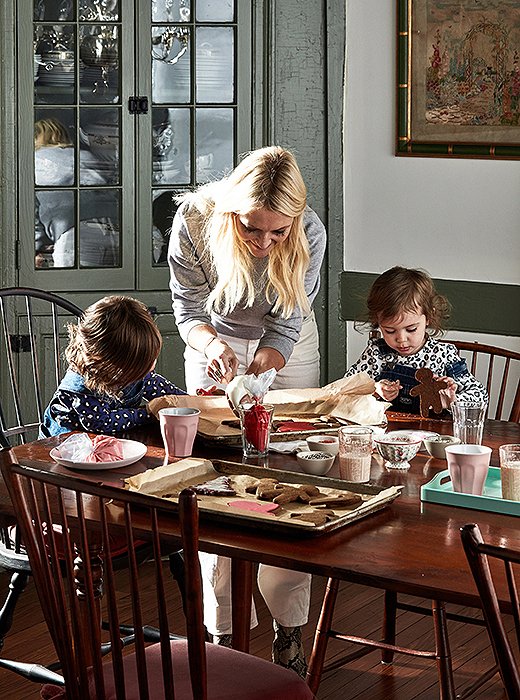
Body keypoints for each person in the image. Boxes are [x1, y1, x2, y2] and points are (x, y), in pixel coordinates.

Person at [167, 145, 327, 677]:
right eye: (251, 229)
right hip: (212, 340)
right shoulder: (192, 221)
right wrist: (214, 349)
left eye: (277, 233)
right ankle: (223, 634)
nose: (264, 244)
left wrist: (262, 370)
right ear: (230, 211)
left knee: (285, 475)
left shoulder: (311, 232)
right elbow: (187, 308)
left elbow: (285, 326)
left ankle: (288, 628)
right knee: (213, 484)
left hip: (286, 344)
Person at [345, 266, 488, 413]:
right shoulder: (376, 354)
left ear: (428, 317)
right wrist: (374, 390)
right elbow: (343, 392)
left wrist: (453, 401)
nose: (401, 339)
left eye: (411, 329)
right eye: (390, 331)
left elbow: (481, 396)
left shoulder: (443, 355)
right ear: (378, 322)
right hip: (386, 434)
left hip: (434, 434)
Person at [41, 296, 186, 438]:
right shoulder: (81, 388)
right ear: (107, 363)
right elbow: (103, 423)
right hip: (62, 449)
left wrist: (196, 401)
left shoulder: (132, 372)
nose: (151, 367)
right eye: (142, 364)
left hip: (106, 445)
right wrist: (148, 413)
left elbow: (167, 394)